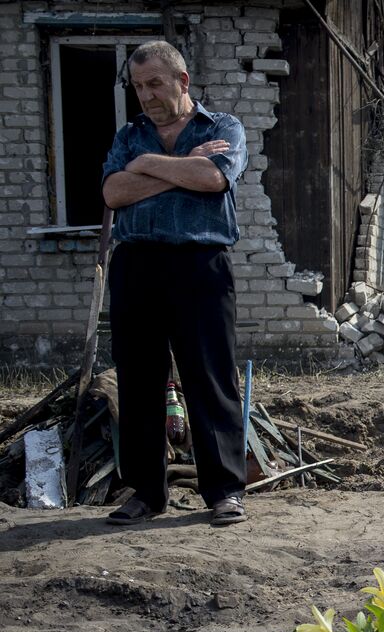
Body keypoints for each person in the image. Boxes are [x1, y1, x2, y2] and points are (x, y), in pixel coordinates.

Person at [100, 41, 249, 527]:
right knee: (139, 378)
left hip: (199, 263)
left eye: (155, 84)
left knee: (210, 376)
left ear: (182, 81)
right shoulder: (130, 134)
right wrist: (173, 172)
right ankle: (146, 492)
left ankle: (225, 491)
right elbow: (113, 191)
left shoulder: (222, 127)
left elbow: (213, 178)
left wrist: (145, 167)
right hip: (136, 264)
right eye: (138, 86)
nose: (145, 96)